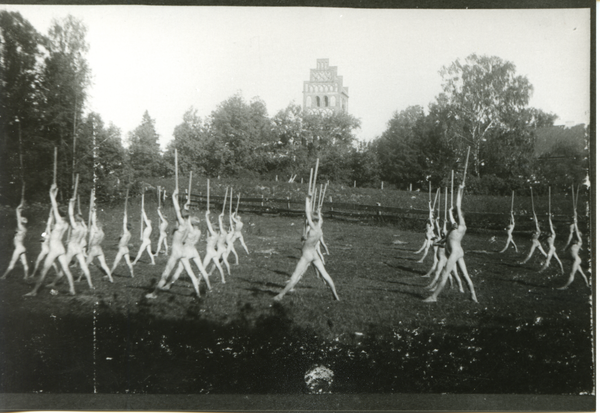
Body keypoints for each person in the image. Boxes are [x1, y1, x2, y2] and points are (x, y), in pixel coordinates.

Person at [274, 195, 340, 301]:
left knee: (295, 276)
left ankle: (280, 295)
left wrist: (307, 201)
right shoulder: (319, 228)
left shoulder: (313, 227)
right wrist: (318, 211)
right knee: (325, 275)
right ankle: (335, 295)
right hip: (315, 254)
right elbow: (319, 219)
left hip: (307, 254)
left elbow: (307, 213)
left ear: (312, 221)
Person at [424, 183, 477, 303]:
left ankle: (434, 297)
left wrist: (460, 189)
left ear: (460, 216)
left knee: (445, 273)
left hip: (455, 253)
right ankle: (473, 296)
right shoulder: (454, 227)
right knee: (464, 275)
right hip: (458, 252)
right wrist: (438, 242)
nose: (454, 216)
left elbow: (457, 205)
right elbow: (447, 236)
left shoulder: (462, 226)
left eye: (456, 215)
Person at [146, 187, 200, 298]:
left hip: (176, 252)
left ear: (181, 217)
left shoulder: (181, 224)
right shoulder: (188, 226)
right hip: (183, 251)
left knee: (165, 274)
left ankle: (154, 294)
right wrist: (184, 204)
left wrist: (173, 196)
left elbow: (177, 210)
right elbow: (184, 212)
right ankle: (198, 294)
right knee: (190, 273)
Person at [25, 184, 77, 296]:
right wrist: (70, 203)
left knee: (44, 270)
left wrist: (51, 192)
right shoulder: (67, 224)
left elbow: (54, 206)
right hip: (61, 248)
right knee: (66, 269)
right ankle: (72, 289)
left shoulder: (59, 221)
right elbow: (67, 213)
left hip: (54, 248)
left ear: (60, 214)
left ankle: (34, 292)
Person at [47, 194, 95, 291]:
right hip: (78, 247)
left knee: (64, 267)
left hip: (72, 248)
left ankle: (54, 283)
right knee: (84, 266)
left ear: (75, 220)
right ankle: (90, 285)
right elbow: (74, 217)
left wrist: (70, 204)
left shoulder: (75, 226)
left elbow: (70, 215)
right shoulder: (84, 228)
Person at [162, 215, 211, 295]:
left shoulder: (189, 229)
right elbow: (196, 241)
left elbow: (184, 236)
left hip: (187, 251)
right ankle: (209, 287)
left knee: (179, 269)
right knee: (201, 269)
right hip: (194, 250)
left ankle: (169, 284)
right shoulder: (199, 232)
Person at [79, 206, 113, 282]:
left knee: (85, 265)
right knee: (104, 264)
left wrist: (94, 212)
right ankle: (111, 278)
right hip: (99, 249)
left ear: (97, 226)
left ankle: (79, 278)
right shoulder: (103, 233)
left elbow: (93, 221)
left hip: (94, 249)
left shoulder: (96, 231)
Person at [557, 219, 588, 290]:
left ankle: (565, 286)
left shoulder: (579, 242)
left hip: (576, 260)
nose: (576, 235)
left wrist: (575, 223)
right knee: (581, 273)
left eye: (578, 234)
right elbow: (570, 242)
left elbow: (576, 231)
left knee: (571, 274)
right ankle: (587, 285)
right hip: (575, 259)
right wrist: (564, 249)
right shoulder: (574, 242)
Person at [1, 202, 29, 280]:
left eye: (22, 219)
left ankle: (4, 276)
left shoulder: (21, 227)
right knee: (24, 262)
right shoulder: (23, 229)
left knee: (12, 262)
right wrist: (20, 210)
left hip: (19, 248)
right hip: (22, 247)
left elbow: (18, 218)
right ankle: (26, 276)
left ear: (23, 222)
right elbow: (19, 218)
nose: (21, 219)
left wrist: (18, 208)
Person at [29, 208, 59, 279]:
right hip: (48, 250)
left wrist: (51, 214)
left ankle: (33, 274)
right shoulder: (51, 235)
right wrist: (51, 213)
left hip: (44, 250)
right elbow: (49, 224)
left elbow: (41, 239)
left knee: (38, 261)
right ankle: (57, 272)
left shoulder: (45, 234)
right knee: (52, 262)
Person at [110, 203, 135, 278]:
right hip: (126, 249)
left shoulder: (125, 232)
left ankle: (109, 274)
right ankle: (132, 274)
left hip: (121, 249)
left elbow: (124, 223)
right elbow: (123, 239)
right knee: (128, 262)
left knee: (116, 262)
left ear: (126, 228)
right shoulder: (129, 234)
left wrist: (125, 215)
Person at [207, 212, 231, 281]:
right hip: (224, 248)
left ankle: (210, 272)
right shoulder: (225, 233)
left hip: (220, 249)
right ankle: (229, 272)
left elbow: (220, 225)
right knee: (225, 261)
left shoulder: (222, 232)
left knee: (216, 261)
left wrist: (219, 217)